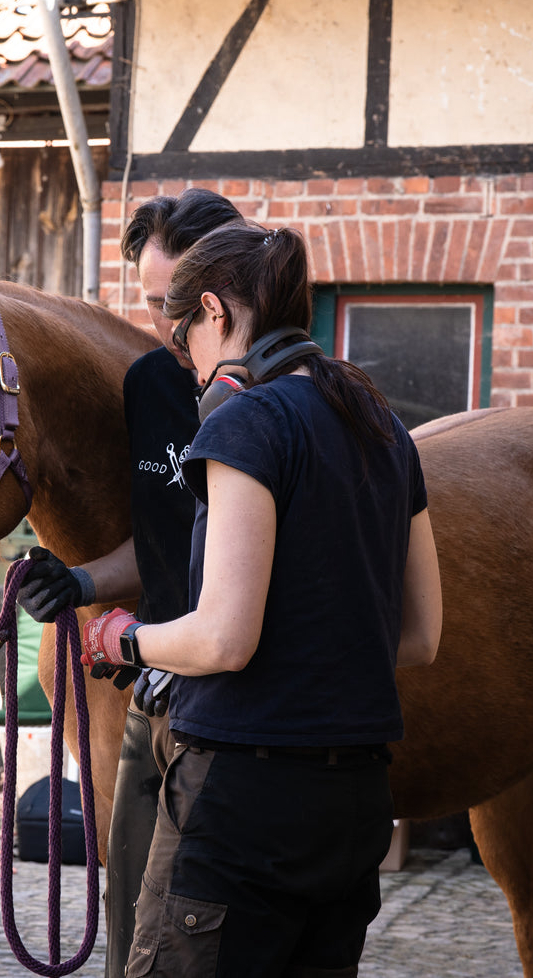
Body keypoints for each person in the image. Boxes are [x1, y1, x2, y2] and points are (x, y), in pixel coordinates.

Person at [81, 220, 442, 977]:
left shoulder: (247, 425)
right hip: (356, 801)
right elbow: (418, 636)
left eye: (184, 342)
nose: (187, 367)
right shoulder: (384, 427)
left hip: (245, 799)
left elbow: (222, 641)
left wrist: (123, 637)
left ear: (213, 312)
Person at [15, 188, 243, 977]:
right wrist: (78, 582)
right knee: (129, 922)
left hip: (231, 705)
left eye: (184, 305)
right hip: (157, 696)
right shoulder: (148, 387)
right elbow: (162, 540)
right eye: (153, 304)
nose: (170, 328)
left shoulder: (262, 405)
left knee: (197, 926)